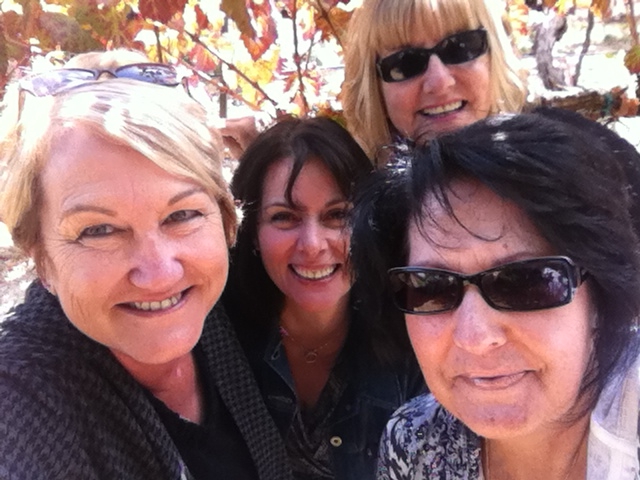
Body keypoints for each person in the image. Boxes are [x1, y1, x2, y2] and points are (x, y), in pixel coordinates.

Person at [0, 73, 291, 479]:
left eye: (181, 215)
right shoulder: (19, 405)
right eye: (98, 230)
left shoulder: (222, 314)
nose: (159, 274)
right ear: (42, 258)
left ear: (226, 220)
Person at [349, 112, 640, 479]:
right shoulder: (414, 445)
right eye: (430, 286)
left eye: (525, 283)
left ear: (600, 294)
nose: (475, 336)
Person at [223, 116, 425, 480]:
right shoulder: (215, 336)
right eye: (284, 217)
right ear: (251, 231)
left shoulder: (412, 335)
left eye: (337, 215)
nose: (313, 245)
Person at [342, 0, 526, 160]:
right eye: (407, 63)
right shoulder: (351, 188)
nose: (440, 82)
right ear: (374, 88)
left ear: (495, 55)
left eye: (459, 48)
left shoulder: (541, 179)